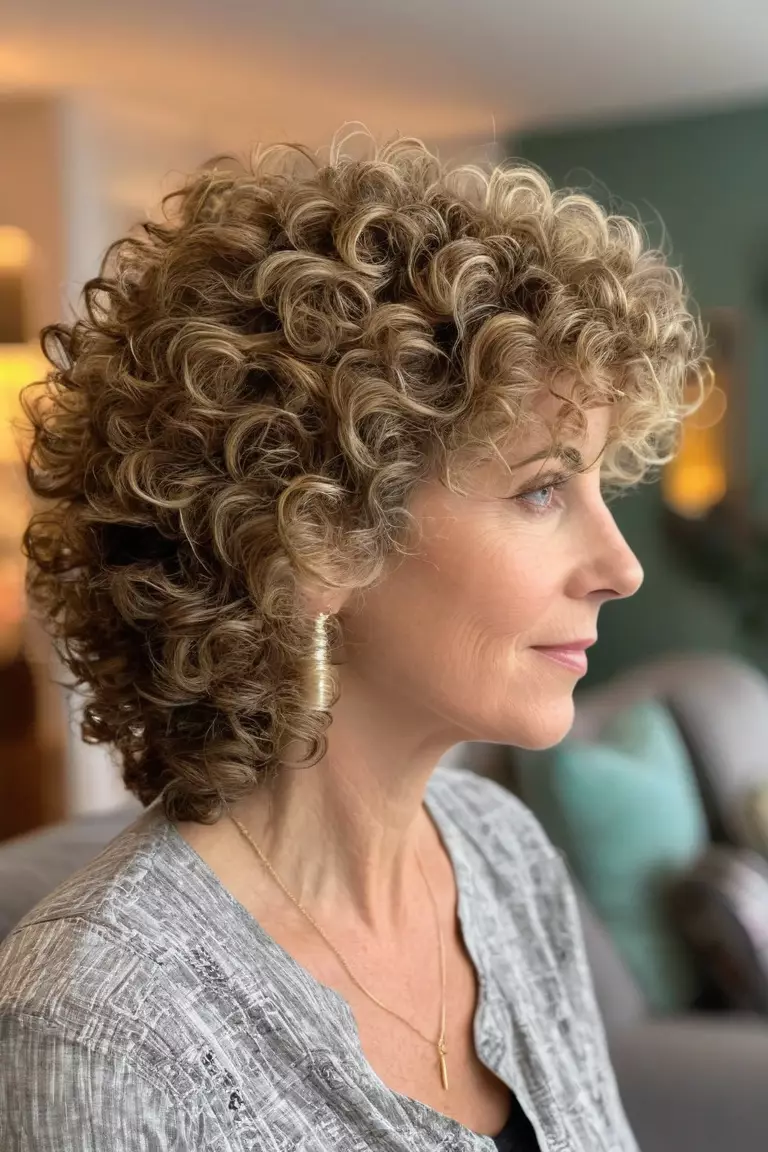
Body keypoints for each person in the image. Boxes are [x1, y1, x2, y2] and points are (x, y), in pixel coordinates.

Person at [0, 137, 703, 1151]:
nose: (621, 565)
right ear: (318, 536)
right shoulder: (101, 1023)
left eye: (601, 484)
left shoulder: (505, 858)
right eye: (542, 488)